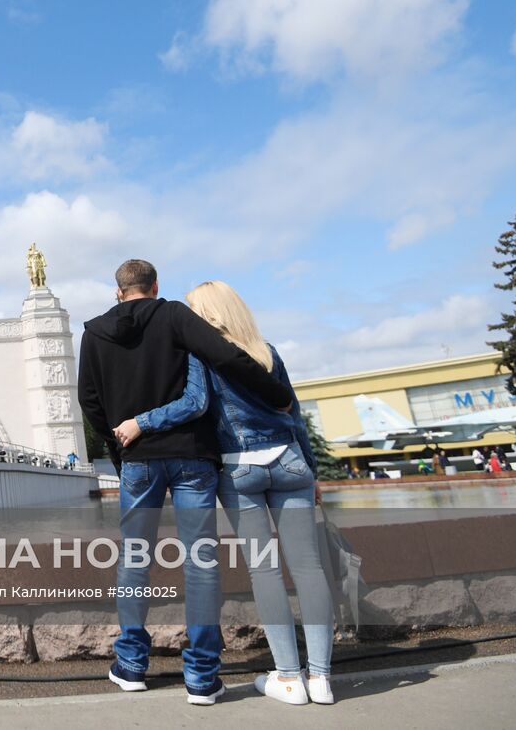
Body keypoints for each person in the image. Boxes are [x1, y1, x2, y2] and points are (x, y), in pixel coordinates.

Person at [78, 259, 292, 706]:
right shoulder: (174, 314)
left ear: (119, 291)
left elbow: (90, 403)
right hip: (192, 456)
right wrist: (278, 396)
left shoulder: (94, 333)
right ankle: (201, 676)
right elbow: (227, 357)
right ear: (155, 287)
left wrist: (121, 450)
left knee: (135, 559)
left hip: (137, 458)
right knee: (200, 563)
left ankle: (132, 664)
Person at [115, 281, 335, 706]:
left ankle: (289, 678)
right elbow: (295, 413)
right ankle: (322, 678)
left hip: (240, 468)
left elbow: (195, 405)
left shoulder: (203, 356)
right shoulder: (268, 351)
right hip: (291, 464)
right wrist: (312, 470)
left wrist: (141, 421)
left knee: (264, 569)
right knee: (309, 569)